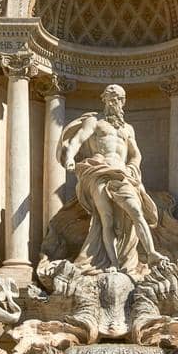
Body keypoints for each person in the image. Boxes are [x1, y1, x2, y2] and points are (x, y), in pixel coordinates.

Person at [58, 84, 169, 274]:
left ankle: (151, 253)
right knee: (105, 219)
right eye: (109, 99)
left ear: (123, 102)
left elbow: (136, 154)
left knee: (136, 211)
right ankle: (113, 263)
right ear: (104, 100)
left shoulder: (128, 129)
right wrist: (69, 158)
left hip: (122, 174)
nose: (112, 102)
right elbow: (78, 139)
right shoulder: (95, 122)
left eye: (116, 99)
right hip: (98, 172)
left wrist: (132, 168)